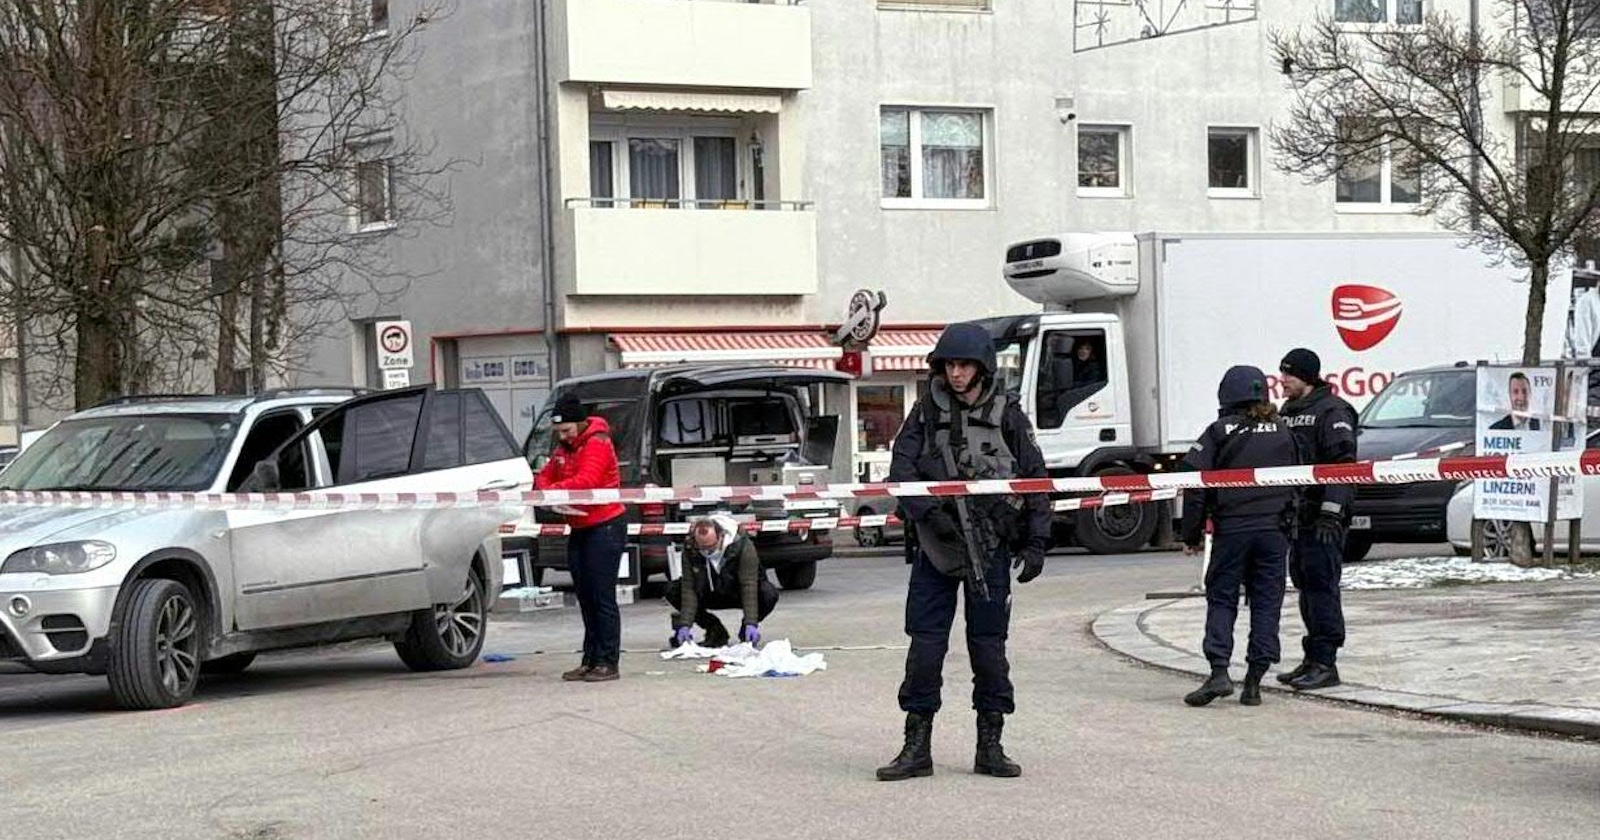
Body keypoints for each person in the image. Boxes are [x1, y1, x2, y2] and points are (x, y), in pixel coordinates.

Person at [875, 322, 1052, 782]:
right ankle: (916, 746)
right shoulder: (925, 413)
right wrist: (929, 514)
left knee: (989, 649)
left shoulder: (1007, 413)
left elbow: (1035, 478)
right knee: (925, 648)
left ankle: (990, 743)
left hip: (989, 549)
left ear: (981, 367)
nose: (955, 373)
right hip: (936, 547)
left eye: (963, 364)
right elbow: (901, 469)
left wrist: (1036, 540)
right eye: (949, 364)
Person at [1181, 366, 1302, 708]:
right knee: (1266, 602)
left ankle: (1219, 671)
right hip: (1275, 531)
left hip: (1233, 530)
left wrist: (1190, 534)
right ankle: (1254, 681)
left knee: (1222, 599)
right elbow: (1302, 477)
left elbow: (1195, 484)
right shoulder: (1283, 430)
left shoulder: (1219, 431)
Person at [1277, 348, 1359, 691]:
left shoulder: (1333, 410)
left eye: (1289, 375)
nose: (1283, 381)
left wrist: (1332, 511)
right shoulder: (1289, 411)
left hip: (1323, 518)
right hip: (1298, 516)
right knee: (1306, 586)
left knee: (1323, 587)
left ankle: (1327, 663)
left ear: (1307, 377)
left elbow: (1343, 465)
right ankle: (1312, 657)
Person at [535, 393, 628, 683]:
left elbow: (586, 482)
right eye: (558, 432)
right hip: (580, 525)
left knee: (602, 597)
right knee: (585, 597)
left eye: (566, 430)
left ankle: (608, 661)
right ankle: (590, 660)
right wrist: (550, 489)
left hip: (605, 525)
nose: (561, 437)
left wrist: (554, 491)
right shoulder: (565, 447)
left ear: (579, 423)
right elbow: (542, 476)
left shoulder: (597, 443)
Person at [666, 514, 778, 649]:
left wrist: (751, 623)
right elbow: (689, 588)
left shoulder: (743, 546)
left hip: (737, 592)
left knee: (768, 593)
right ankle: (715, 630)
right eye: (702, 547)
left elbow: (749, 585)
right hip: (709, 592)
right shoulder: (691, 549)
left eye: (711, 547)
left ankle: (746, 632)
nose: (706, 551)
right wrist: (685, 625)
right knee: (673, 590)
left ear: (721, 536)